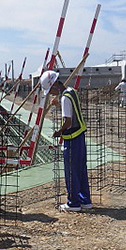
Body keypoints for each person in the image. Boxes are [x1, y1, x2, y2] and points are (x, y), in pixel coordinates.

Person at [42, 70, 92, 212]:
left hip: (72, 139)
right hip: (80, 136)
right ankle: (85, 200)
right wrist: (59, 105)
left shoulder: (64, 98)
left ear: (54, 85)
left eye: (50, 90)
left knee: (71, 172)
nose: (51, 93)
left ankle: (73, 203)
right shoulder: (71, 91)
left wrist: (59, 132)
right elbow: (72, 111)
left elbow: (68, 121)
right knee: (81, 170)